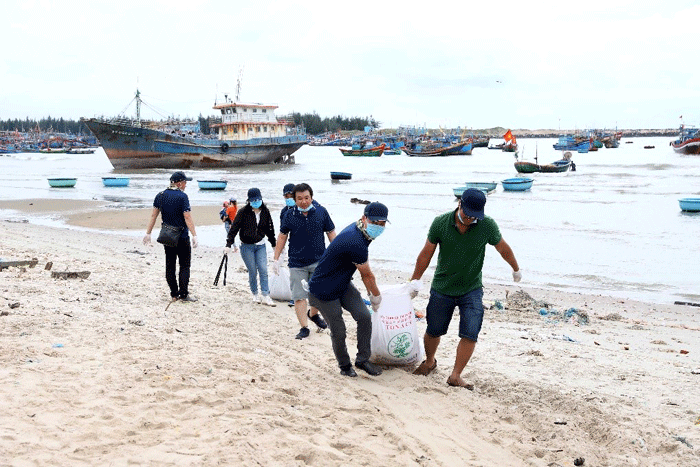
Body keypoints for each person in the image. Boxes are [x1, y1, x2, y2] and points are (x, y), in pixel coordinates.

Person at [410, 188, 521, 389]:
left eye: (474, 216)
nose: (470, 219)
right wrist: (415, 281)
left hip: (471, 288)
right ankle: (429, 361)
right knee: (434, 330)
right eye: (467, 214)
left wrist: (515, 269)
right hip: (442, 287)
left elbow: (503, 248)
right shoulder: (441, 223)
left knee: (470, 332)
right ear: (459, 204)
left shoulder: (487, 225)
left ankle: (455, 375)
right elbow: (425, 254)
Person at [307, 202, 389, 377]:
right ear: (364, 218)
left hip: (343, 283)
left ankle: (362, 360)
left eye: (382, 224)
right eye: (375, 222)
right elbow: (367, 275)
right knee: (339, 331)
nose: (378, 227)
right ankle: (345, 367)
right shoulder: (355, 241)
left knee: (364, 317)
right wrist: (375, 296)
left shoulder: (361, 231)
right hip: (323, 290)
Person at [273, 183, 336, 340]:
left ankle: (313, 314)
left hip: (319, 261)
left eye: (306, 198)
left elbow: (331, 233)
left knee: (318, 295)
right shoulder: (289, 215)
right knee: (299, 296)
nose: (303, 201)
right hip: (297, 263)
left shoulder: (321, 212)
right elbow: (282, 236)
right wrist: (276, 258)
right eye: (299, 198)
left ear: (311, 197)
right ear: (294, 199)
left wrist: (337, 255)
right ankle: (304, 327)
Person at [143, 171, 198, 303]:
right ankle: (184, 294)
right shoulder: (182, 197)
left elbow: (153, 216)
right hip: (182, 236)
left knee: (170, 265)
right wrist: (194, 235)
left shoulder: (160, 195)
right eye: (185, 182)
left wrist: (148, 233)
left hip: (167, 236)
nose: (185, 185)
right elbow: (187, 216)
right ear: (179, 183)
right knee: (184, 265)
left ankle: (174, 294)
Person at [224, 188, 277, 306]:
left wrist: (274, 244)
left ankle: (266, 295)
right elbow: (234, 228)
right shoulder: (243, 212)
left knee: (263, 269)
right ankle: (255, 293)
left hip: (261, 245)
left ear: (261, 199)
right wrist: (229, 244)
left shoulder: (265, 211)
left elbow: (269, 229)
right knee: (252, 271)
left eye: (258, 199)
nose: (256, 202)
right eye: (253, 200)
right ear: (249, 201)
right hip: (247, 246)